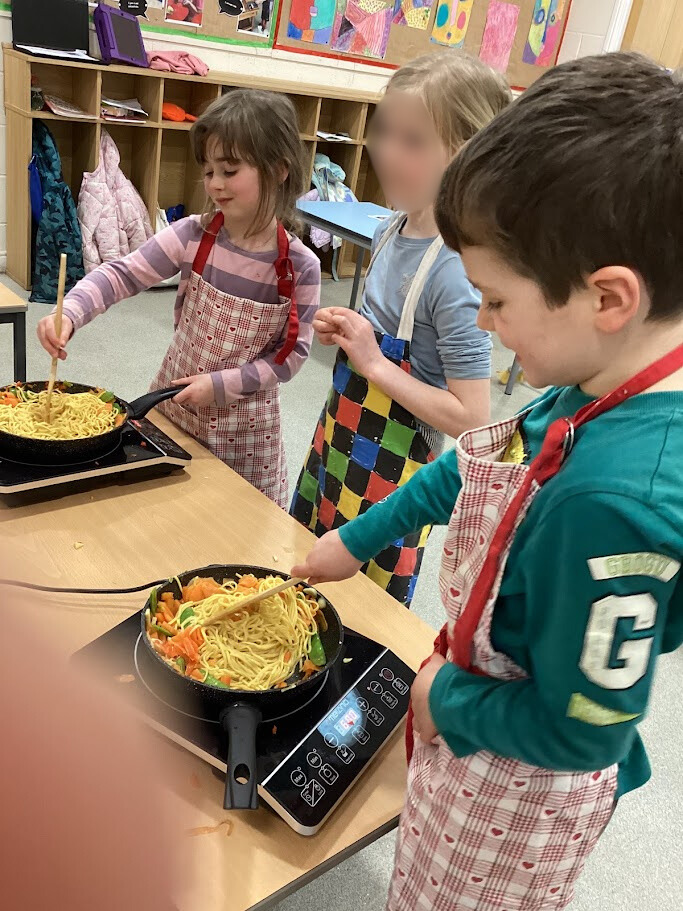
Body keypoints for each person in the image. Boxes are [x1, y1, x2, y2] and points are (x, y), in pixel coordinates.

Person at [293, 52, 683, 910]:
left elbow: (581, 732)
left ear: (606, 298)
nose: (480, 320)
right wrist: (355, 539)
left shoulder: (613, 505)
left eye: (496, 300)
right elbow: (474, 467)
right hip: (473, 729)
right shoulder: (589, 377)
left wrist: (447, 695)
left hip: (521, 790)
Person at [290, 53, 510, 606]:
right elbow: (377, 339)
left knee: (366, 612)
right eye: (384, 131)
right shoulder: (392, 228)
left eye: (412, 141)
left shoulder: (454, 273)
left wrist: (373, 362)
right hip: (337, 443)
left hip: (395, 480)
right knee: (309, 570)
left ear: (466, 155)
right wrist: (349, 332)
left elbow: (473, 419)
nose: (386, 151)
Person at [38, 90, 321, 508]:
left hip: (244, 430)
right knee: (161, 511)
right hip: (175, 406)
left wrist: (221, 385)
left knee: (233, 522)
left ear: (279, 169)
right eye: (209, 171)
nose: (216, 183)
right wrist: (71, 313)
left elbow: (290, 356)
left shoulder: (299, 266)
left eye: (230, 170)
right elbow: (122, 274)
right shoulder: (193, 234)